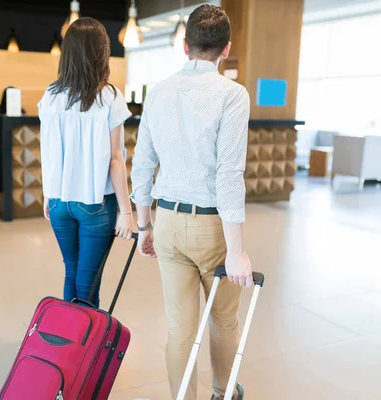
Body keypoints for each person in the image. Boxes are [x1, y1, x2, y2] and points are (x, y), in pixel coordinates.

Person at [130, 5, 253, 400]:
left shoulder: (158, 92)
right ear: (226, 49)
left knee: (181, 327)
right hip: (211, 226)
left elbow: (142, 162)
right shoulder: (232, 96)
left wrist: (144, 224)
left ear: (185, 46)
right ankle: (222, 392)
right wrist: (237, 252)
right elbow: (229, 174)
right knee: (222, 320)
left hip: (166, 222)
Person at [38, 18, 133, 307]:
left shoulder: (50, 97)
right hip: (95, 203)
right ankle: (84, 347)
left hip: (58, 202)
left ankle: (71, 343)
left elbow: (48, 150)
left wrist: (48, 193)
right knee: (88, 283)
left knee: (72, 272)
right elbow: (115, 161)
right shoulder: (109, 97)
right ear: (102, 53)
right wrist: (127, 212)